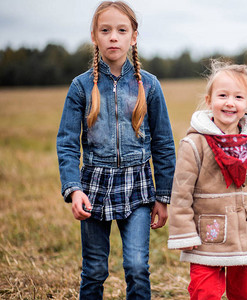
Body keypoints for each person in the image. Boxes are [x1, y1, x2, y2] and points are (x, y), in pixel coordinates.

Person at [56, 1, 176, 298]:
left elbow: (163, 143)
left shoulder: (149, 85)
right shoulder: (80, 87)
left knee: (137, 266)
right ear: (95, 37)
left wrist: (163, 196)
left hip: (138, 187)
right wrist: (74, 189)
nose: (113, 37)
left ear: (133, 37)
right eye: (105, 30)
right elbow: (67, 143)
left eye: (121, 30)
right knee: (95, 269)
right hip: (93, 187)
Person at [167, 61, 247, 300]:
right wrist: (184, 232)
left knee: (246, 294)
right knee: (205, 292)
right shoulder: (194, 144)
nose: (229, 102)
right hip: (207, 238)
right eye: (222, 95)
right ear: (209, 100)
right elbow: (181, 193)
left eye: (238, 97)